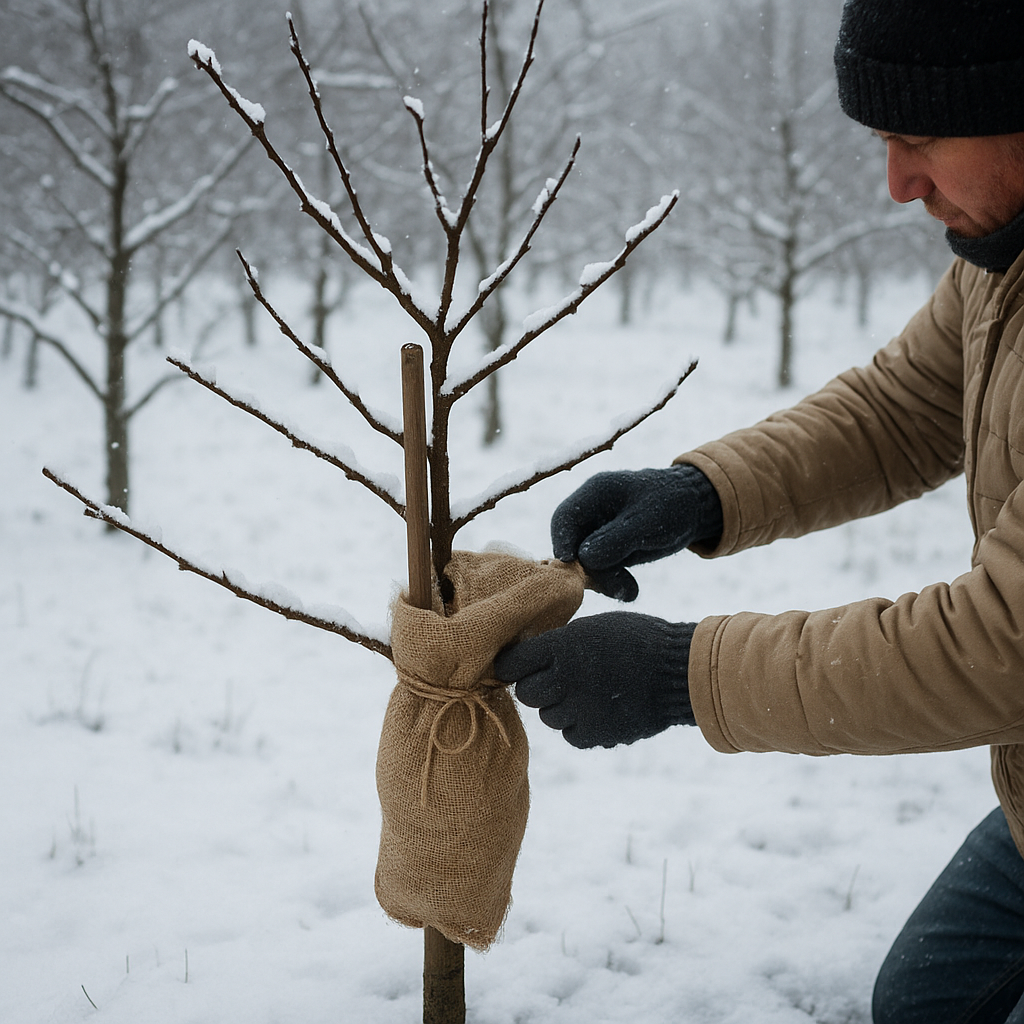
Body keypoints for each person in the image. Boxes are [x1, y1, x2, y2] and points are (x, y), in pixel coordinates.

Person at [492, 1, 1024, 1021]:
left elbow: (997, 649)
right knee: (919, 1003)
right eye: (884, 143)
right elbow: (900, 409)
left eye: (918, 141)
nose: (896, 184)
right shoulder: (1001, 259)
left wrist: (677, 676)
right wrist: (701, 493)